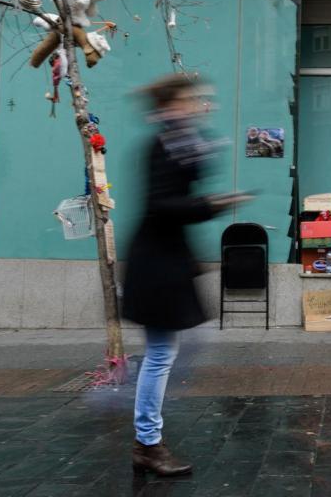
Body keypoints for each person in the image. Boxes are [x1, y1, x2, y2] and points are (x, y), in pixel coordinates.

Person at [122, 74, 251, 476]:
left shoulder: (176, 141)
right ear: (174, 104)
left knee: (169, 352)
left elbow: (185, 183)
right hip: (155, 264)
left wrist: (205, 182)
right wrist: (210, 204)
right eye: (192, 99)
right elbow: (162, 204)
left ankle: (147, 438)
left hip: (165, 261)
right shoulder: (161, 144)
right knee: (161, 355)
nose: (199, 104)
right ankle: (147, 443)